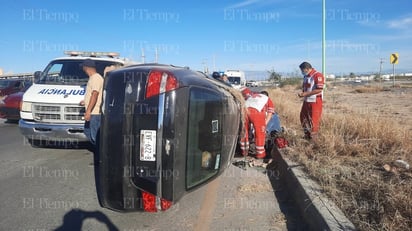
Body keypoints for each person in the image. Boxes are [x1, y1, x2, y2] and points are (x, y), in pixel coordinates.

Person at [240, 87, 275, 159]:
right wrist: (264, 124)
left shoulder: (254, 95)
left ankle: (244, 151)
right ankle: (260, 154)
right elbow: (270, 113)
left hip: (244, 109)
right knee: (259, 133)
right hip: (256, 112)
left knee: (244, 131)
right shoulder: (268, 99)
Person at [297, 61, 325, 140]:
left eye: (302, 70)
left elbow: (319, 89)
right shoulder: (306, 77)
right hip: (306, 101)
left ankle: (314, 139)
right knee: (303, 118)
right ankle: (307, 135)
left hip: (315, 101)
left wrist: (305, 94)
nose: (302, 72)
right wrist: (303, 94)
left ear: (307, 69)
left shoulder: (317, 75)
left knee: (313, 120)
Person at [80, 59, 104, 147]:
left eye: (83, 67)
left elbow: (95, 94)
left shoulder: (96, 78)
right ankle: (98, 150)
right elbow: (92, 95)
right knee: (87, 131)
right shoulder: (93, 78)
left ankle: (99, 154)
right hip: (92, 112)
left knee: (95, 137)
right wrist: (85, 101)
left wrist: (88, 111)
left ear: (86, 68)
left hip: (95, 113)